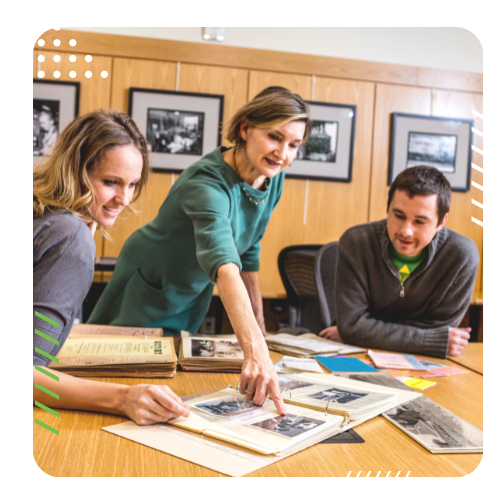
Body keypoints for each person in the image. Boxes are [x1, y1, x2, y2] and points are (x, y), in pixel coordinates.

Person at [88, 87, 313, 414]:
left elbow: (248, 248)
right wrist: (256, 352)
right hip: (151, 278)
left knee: (172, 377)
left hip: (193, 287)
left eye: (293, 145)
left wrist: (259, 327)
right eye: (274, 137)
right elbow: (224, 260)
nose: (282, 153)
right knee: (117, 372)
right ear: (246, 128)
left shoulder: (271, 179)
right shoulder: (206, 182)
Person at [33, 109, 190, 426]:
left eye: (132, 184)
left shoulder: (44, 208)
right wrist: (124, 398)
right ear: (76, 171)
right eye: (111, 182)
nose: (124, 199)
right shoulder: (70, 235)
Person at [319, 166, 479, 359]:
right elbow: (353, 326)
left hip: (423, 362)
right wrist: (429, 340)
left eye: (420, 221)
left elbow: (439, 329)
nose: (406, 231)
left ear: (441, 222)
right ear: (388, 206)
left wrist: (360, 332)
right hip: (355, 355)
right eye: (399, 216)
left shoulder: (462, 256)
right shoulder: (356, 242)